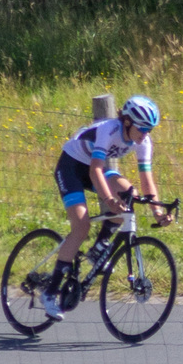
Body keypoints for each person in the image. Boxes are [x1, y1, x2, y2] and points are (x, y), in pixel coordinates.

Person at [41, 96, 171, 319]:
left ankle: (99, 246)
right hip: (71, 167)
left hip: (94, 169)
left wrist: (157, 212)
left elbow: (146, 179)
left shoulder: (144, 142)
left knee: (129, 196)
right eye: (143, 128)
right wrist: (109, 199)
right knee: (81, 227)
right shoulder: (109, 130)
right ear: (128, 122)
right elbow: (95, 171)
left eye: (150, 129)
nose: (146, 134)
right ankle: (50, 291)